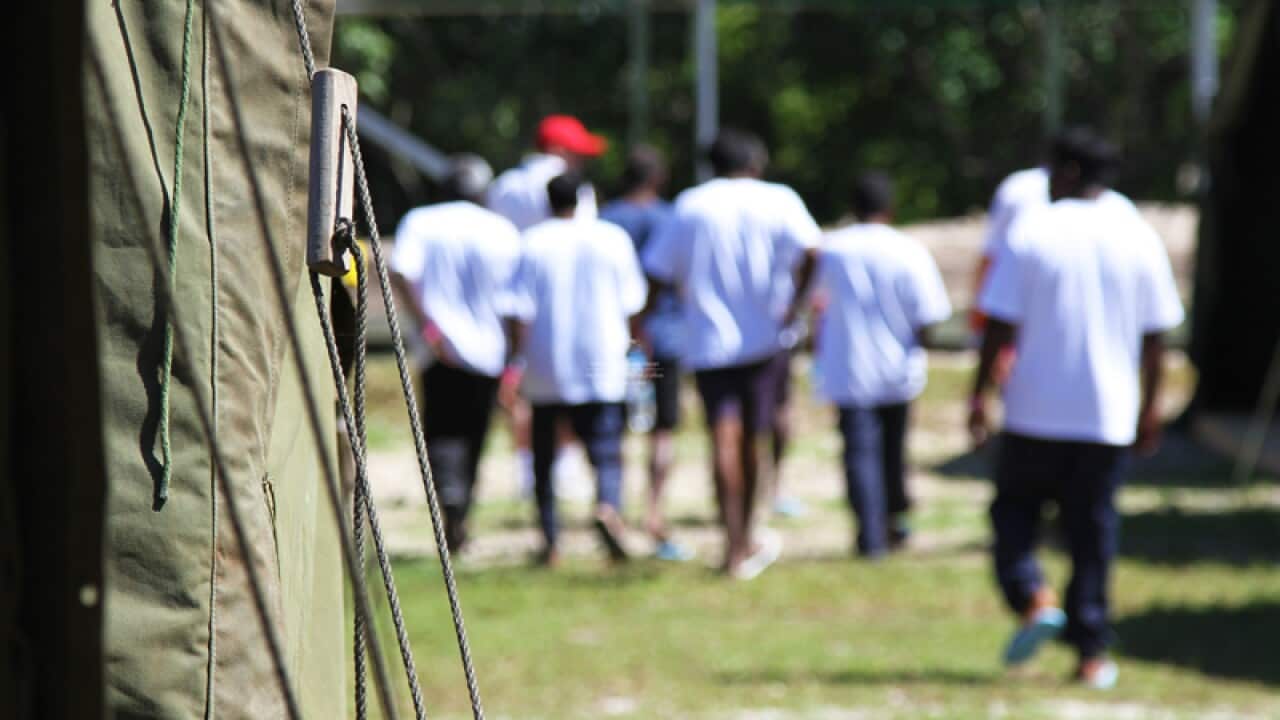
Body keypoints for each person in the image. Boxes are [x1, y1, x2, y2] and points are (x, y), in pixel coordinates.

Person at [968, 128, 1184, 689]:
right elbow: (1156, 336)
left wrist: (980, 393)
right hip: (1107, 413)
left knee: (1013, 515)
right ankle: (1092, 654)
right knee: (1092, 533)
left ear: (1063, 173)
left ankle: (1032, 596)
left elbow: (998, 321)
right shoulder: (1137, 235)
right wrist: (1150, 408)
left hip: (1034, 408)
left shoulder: (1032, 229)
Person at [642, 129, 822, 579]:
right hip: (767, 336)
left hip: (708, 338)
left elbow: (657, 270)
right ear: (755, 161)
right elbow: (814, 250)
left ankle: (733, 541)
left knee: (722, 436)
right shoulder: (780, 199)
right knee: (753, 439)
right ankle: (749, 531)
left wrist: (643, 323)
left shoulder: (691, 205)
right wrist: (796, 301)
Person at [807, 172, 951, 557]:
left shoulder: (834, 249)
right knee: (893, 452)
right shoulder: (909, 250)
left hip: (850, 369)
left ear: (852, 207)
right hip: (898, 370)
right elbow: (929, 314)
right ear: (890, 207)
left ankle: (869, 536)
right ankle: (893, 522)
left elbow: (812, 299)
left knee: (859, 454)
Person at [507, 173, 648, 566]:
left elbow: (520, 311)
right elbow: (634, 302)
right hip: (602, 360)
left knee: (544, 456)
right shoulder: (612, 238)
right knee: (605, 449)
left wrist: (515, 362)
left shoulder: (532, 242)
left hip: (545, 363)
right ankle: (607, 505)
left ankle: (550, 540)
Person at [390, 155, 522, 553]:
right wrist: (515, 356)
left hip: (439, 349)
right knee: (475, 433)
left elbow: (400, 270)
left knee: (442, 432)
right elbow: (516, 302)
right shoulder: (502, 230)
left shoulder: (422, 221)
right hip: (489, 350)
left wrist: (428, 325)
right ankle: (462, 512)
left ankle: (451, 507)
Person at [488, 114, 609, 501]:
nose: (580, 161)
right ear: (558, 149)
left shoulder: (505, 185)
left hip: (513, 296)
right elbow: (583, 239)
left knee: (519, 383)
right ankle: (565, 463)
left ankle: (528, 467)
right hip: (566, 297)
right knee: (566, 383)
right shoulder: (576, 188)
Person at [600, 146, 693, 562]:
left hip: (619, 339)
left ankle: (612, 508)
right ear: (658, 179)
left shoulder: (606, 219)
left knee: (615, 427)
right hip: (665, 337)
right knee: (662, 429)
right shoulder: (672, 218)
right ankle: (654, 513)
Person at [487, 114, 607, 230]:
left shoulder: (502, 183)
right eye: (576, 154)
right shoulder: (573, 184)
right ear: (556, 148)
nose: (582, 161)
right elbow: (584, 230)